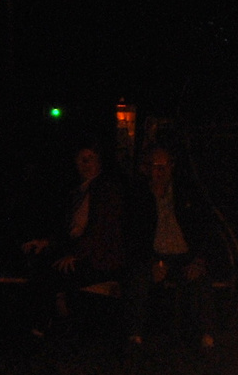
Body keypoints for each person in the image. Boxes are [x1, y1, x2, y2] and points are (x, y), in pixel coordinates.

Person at [24, 145, 129, 336]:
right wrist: (47, 242)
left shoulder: (106, 190)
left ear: (99, 161)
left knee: (54, 271)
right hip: (79, 249)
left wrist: (77, 254)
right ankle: (50, 317)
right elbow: (69, 230)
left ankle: (51, 321)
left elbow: (102, 230)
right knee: (37, 258)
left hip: (99, 256)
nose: (84, 164)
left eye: (89, 159)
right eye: (81, 160)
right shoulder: (78, 192)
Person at [127, 146, 219, 349]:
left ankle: (206, 335)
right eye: (152, 167)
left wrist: (198, 260)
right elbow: (135, 235)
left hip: (185, 255)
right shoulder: (140, 196)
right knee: (139, 277)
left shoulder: (187, 192)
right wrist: (151, 262)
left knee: (200, 279)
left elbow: (205, 229)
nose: (157, 173)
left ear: (171, 167)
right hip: (156, 255)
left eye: (161, 167)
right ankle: (135, 335)